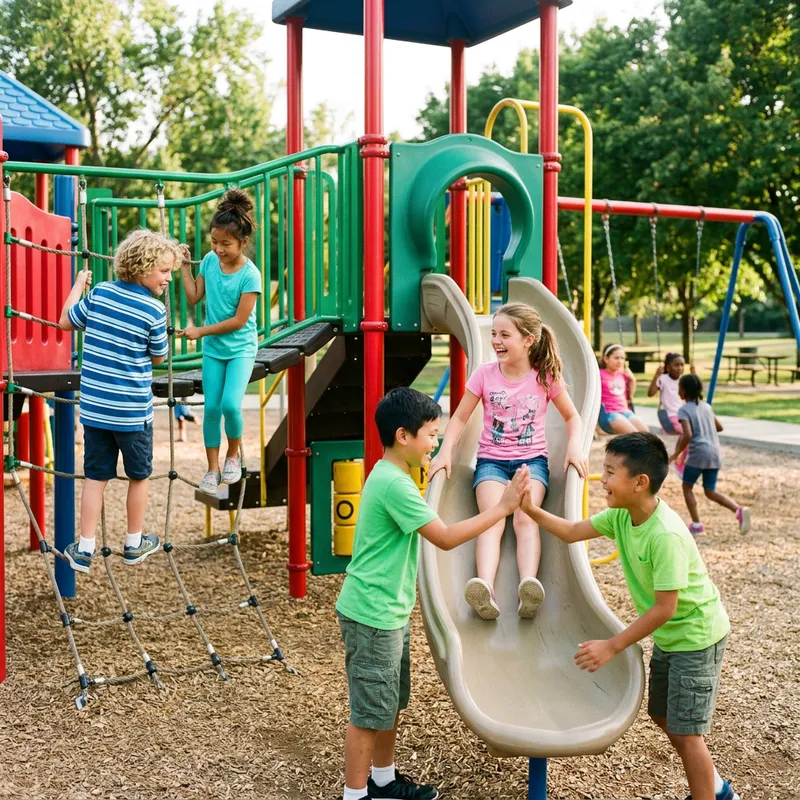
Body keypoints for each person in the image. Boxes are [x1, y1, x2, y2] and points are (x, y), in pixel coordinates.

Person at [520, 432, 741, 800]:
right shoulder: (622, 516)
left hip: (697, 637)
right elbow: (574, 532)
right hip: (672, 637)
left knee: (688, 735)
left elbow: (665, 608)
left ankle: (713, 795)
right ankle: (714, 788)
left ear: (640, 483)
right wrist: (530, 511)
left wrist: (613, 645)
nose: (602, 480)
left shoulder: (665, 535)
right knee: (664, 717)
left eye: (609, 472)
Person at [335, 387, 530, 800]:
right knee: (368, 714)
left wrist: (437, 465)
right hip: (372, 614)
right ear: (403, 436)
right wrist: (502, 508)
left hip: (387, 611)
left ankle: (383, 782)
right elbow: (443, 537)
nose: (436, 442)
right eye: (430, 435)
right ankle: (355, 796)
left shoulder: (393, 475)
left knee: (388, 705)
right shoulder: (394, 485)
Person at [428, 302, 588, 621]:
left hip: (532, 463)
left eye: (505, 335)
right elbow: (460, 417)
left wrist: (574, 446)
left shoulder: (543, 377)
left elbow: (572, 416)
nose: (496, 341)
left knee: (526, 519)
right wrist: (445, 451)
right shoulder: (485, 375)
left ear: (528, 340)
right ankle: (484, 589)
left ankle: (527, 587)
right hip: (492, 463)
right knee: (492, 518)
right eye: (494, 334)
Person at [58, 229, 180, 572]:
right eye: (164, 272)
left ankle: (84, 548)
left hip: (95, 411)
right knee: (139, 476)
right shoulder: (154, 311)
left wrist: (79, 286)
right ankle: (133, 542)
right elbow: (159, 356)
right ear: (143, 268)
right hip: (131, 414)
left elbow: (66, 321)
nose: (168, 279)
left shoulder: (100, 294)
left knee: (95, 478)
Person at [178, 189, 262, 494]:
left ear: (243, 242)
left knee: (230, 404)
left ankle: (232, 455)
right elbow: (194, 296)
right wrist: (186, 267)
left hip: (240, 348)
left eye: (225, 244)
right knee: (212, 408)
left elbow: (239, 322)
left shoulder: (250, 276)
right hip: (214, 350)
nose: (218, 249)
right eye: (214, 242)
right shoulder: (211, 262)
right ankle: (212, 468)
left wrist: (201, 331)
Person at [671, 374, 750, 536]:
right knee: (710, 491)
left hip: (698, 454)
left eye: (679, 387)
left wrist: (676, 454)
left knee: (687, 487)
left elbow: (687, 435)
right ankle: (738, 510)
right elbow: (719, 427)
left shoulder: (684, 410)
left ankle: (697, 524)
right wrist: (705, 425)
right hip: (714, 453)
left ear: (684, 391)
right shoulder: (706, 407)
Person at [648, 352, 687, 476]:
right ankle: (678, 459)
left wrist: (694, 374)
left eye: (682, 365)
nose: (679, 368)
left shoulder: (684, 380)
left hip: (682, 415)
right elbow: (650, 393)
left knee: (691, 436)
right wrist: (656, 375)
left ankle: (680, 458)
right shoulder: (663, 379)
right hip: (669, 415)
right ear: (668, 366)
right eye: (676, 365)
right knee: (688, 434)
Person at [597, 343, 648, 435]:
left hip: (625, 411)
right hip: (609, 414)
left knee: (647, 434)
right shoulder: (599, 374)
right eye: (616, 358)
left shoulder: (623, 374)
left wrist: (632, 380)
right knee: (635, 435)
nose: (620, 361)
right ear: (606, 359)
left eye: (622, 358)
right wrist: (596, 427)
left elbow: (630, 396)